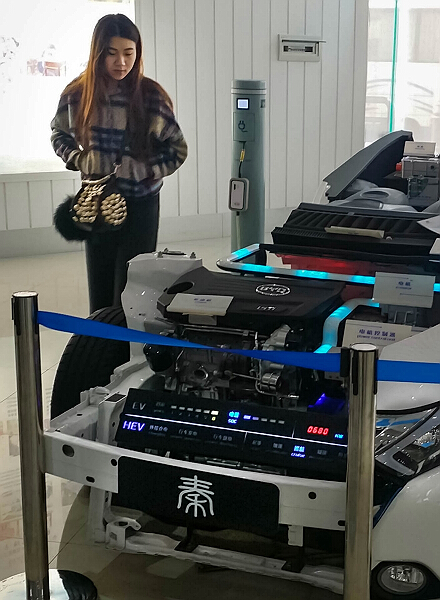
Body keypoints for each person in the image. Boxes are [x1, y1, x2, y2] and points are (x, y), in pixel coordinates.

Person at [50, 14, 187, 314]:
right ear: (97, 53)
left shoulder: (151, 96)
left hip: (141, 204)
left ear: (138, 53)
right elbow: (59, 134)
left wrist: (142, 169)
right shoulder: (77, 94)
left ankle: (127, 344)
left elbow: (177, 150)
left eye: (129, 53)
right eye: (111, 53)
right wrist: (79, 158)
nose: (121, 62)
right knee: (99, 294)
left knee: (134, 293)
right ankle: (99, 343)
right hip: (95, 204)